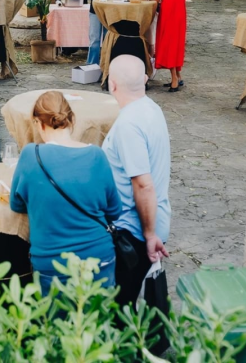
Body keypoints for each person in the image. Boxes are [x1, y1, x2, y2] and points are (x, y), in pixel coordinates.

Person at [10, 91, 120, 295]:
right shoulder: (97, 155)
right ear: (72, 120)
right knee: (99, 322)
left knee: (55, 323)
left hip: (51, 261)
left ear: (38, 123)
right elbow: (115, 211)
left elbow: (16, 205)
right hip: (98, 257)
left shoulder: (30, 155)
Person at [103, 55, 171, 309]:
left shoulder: (128, 125)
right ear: (145, 79)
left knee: (120, 306)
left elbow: (143, 184)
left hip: (133, 231)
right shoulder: (152, 109)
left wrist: (149, 234)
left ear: (112, 84)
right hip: (150, 221)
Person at [154, 0, 189, 91]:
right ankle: (177, 76)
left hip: (177, 17)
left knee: (174, 46)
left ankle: (174, 77)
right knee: (166, 45)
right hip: (165, 17)